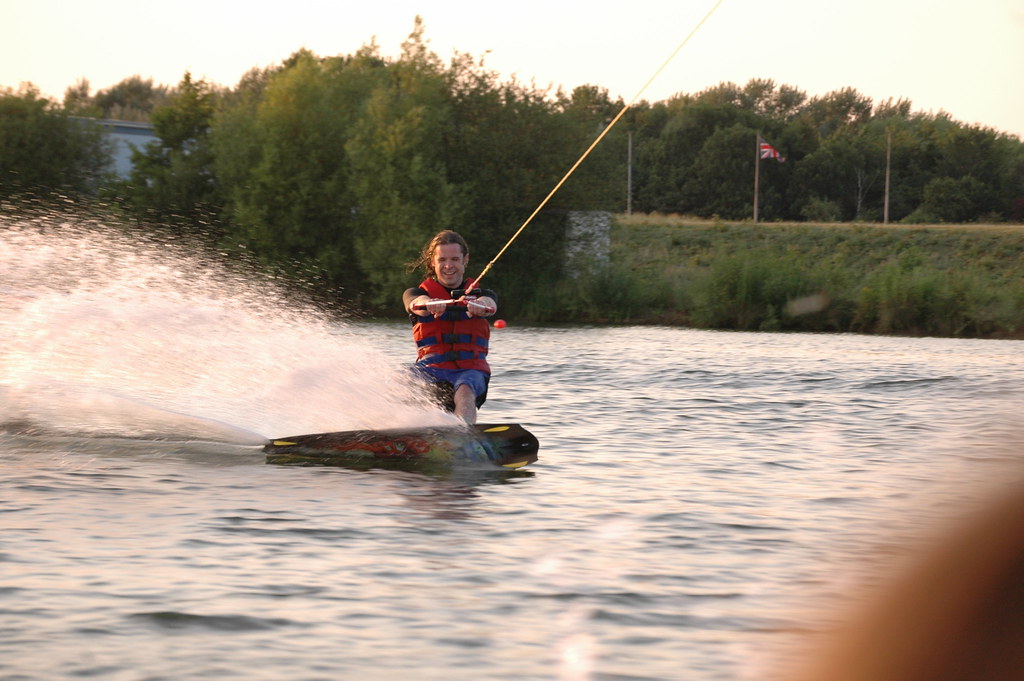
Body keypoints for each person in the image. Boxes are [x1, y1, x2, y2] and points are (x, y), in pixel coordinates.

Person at [403, 230, 497, 424]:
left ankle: (462, 435)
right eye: (442, 260)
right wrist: (427, 304)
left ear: (465, 260)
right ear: (433, 263)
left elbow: (491, 305)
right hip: (430, 369)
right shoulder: (417, 292)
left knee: (464, 391)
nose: (448, 265)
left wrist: (481, 306)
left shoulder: (482, 294)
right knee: (397, 383)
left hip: (470, 370)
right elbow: (414, 303)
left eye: (455, 259)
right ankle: (386, 432)